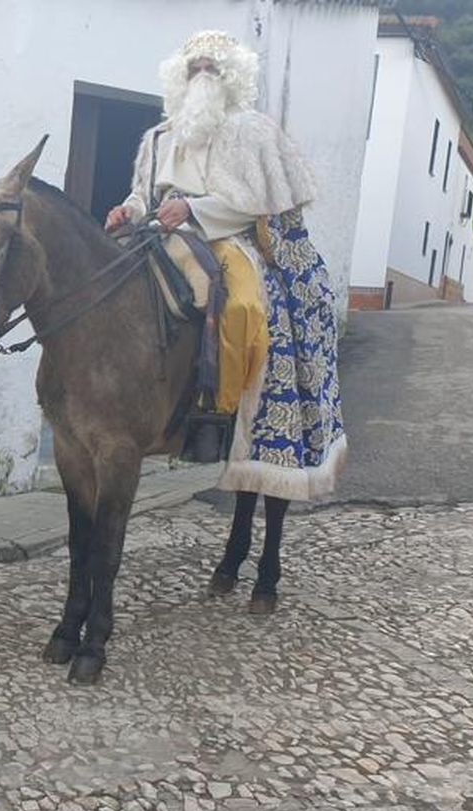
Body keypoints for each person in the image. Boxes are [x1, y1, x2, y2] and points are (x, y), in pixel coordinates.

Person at [105, 30, 346, 597]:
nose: (203, 74)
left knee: (239, 306)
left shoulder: (250, 131)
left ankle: (219, 408)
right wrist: (128, 209)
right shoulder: (159, 135)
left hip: (224, 239)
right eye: (194, 65)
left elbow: (254, 201)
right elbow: (144, 193)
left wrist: (194, 206)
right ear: (180, 74)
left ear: (232, 73)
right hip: (156, 236)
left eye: (213, 65)